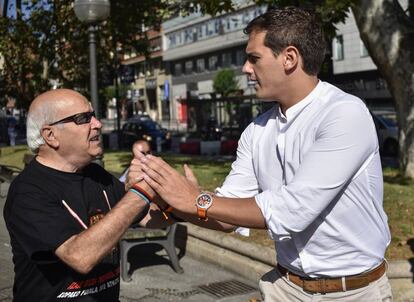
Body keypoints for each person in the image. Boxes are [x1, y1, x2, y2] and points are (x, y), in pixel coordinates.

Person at [128, 7, 392, 301]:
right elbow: (227, 215)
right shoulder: (257, 130)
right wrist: (171, 203)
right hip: (285, 287)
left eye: (254, 58)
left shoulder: (344, 113)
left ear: (289, 58)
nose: (245, 69)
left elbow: (292, 210)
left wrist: (195, 200)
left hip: (352, 292)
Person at [3, 89, 162, 301]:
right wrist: (139, 193)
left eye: (94, 116)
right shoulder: (28, 192)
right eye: (84, 118)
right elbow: (79, 256)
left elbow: (145, 216)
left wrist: (183, 202)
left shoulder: (96, 175)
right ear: (51, 135)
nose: (97, 124)